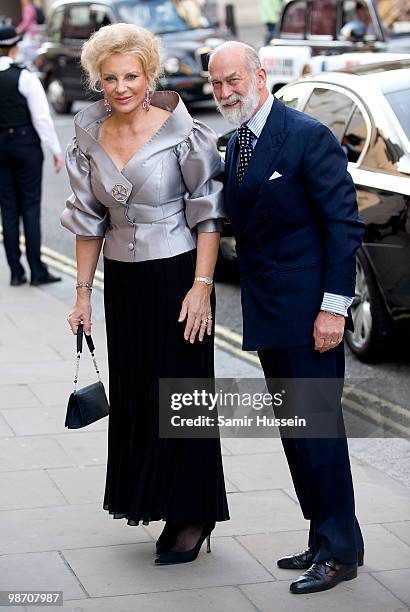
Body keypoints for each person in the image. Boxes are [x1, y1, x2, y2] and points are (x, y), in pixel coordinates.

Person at [61, 23, 229, 565]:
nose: (120, 87)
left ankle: (194, 512)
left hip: (179, 274)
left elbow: (208, 215)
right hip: (124, 282)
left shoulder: (184, 133)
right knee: (138, 392)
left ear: (150, 74)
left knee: (183, 394)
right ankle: (154, 497)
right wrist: (83, 295)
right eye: (109, 78)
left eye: (131, 75)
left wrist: (202, 288)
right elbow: (88, 221)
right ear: (97, 80)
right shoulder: (89, 134)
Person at [208, 41, 365, 595]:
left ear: (259, 74)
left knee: (319, 432)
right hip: (269, 311)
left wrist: (332, 307)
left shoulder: (305, 135)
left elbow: (344, 226)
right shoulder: (235, 145)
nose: (225, 92)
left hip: (309, 315)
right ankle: (323, 535)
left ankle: (341, 552)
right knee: (296, 433)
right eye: (217, 84)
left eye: (233, 80)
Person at [0, 25, 62, 286]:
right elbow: (41, 118)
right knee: (30, 207)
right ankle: (37, 271)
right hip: (25, 145)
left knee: (8, 209)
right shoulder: (23, 76)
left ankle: (16, 272)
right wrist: (56, 150)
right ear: (14, 47)